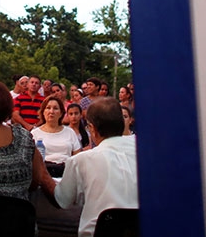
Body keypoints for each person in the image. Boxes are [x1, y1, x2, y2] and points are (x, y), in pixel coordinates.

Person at [41, 97, 139, 236]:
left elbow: (61, 199)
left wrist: (42, 172)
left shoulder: (81, 161)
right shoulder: (146, 153)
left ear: (92, 128)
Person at [31, 95, 82, 177]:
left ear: (61, 113)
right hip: (44, 173)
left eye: (55, 108)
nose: (51, 111)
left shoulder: (70, 132)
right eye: (48, 108)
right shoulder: (34, 133)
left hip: (67, 172)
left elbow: (78, 157)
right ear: (43, 111)